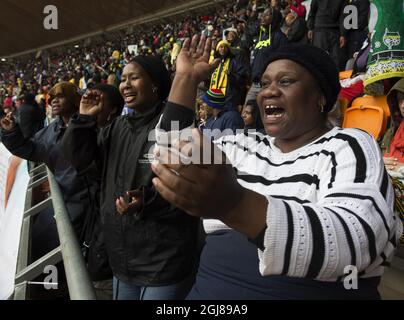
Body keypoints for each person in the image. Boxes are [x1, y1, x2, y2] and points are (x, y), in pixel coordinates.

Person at [151, 35, 402, 299]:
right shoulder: (241, 144)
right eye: (264, 83)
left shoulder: (349, 144)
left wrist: (235, 205)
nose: (268, 91)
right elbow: (171, 159)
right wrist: (186, 80)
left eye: (285, 81)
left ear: (320, 96)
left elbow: (359, 240)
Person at [60, 55, 199, 300]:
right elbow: (81, 162)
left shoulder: (174, 124)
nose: (125, 85)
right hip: (123, 260)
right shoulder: (116, 127)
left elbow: (186, 185)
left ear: (155, 84)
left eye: (134, 78)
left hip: (162, 261)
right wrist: (83, 119)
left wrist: (145, 201)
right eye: (123, 79)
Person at [209, 40, 249, 110]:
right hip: (214, 97)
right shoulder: (214, 62)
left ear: (228, 49)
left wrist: (231, 75)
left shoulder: (235, 62)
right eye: (221, 47)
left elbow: (242, 79)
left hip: (229, 99)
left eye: (225, 47)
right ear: (218, 49)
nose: (223, 49)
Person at [307, 0, 347, 69]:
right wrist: (310, 28)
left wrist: (343, 34)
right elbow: (312, 11)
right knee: (319, 57)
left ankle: (333, 78)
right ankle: (320, 77)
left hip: (333, 30)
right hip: (321, 29)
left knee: (335, 59)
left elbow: (343, 16)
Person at [382, 78, 404, 181]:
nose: (403, 105)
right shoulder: (392, 131)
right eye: (400, 99)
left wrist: (401, 169)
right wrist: (380, 162)